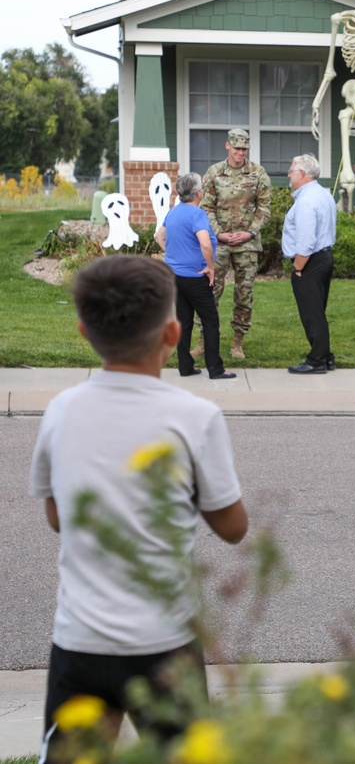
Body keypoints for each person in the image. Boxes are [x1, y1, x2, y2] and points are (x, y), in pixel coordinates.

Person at [29, 256, 248, 762]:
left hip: (80, 638)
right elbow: (234, 527)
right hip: (166, 642)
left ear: (84, 331)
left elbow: (58, 518)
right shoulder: (195, 417)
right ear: (173, 334)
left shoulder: (61, 410)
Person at [194, 128, 272, 361]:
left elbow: (264, 209)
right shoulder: (214, 173)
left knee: (244, 293)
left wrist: (249, 232)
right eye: (237, 148)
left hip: (247, 244)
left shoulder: (258, 174)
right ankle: (204, 341)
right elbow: (206, 208)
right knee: (210, 291)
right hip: (220, 244)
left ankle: (238, 342)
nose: (240, 153)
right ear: (228, 146)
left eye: (244, 149)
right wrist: (219, 234)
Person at [154, 173, 236, 380]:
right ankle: (216, 369)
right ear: (199, 192)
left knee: (184, 320)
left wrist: (172, 254)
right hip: (195, 277)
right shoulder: (197, 215)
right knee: (210, 321)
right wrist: (210, 267)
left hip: (175, 276)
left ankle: (186, 367)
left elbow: (159, 236)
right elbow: (205, 243)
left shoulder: (173, 213)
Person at [281, 154, 337, 375]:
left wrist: (297, 268)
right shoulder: (323, 194)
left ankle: (316, 361)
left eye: (292, 170)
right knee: (317, 313)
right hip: (323, 258)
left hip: (310, 262)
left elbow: (306, 241)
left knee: (312, 314)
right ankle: (326, 357)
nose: (288, 174)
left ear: (302, 174)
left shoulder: (306, 201)